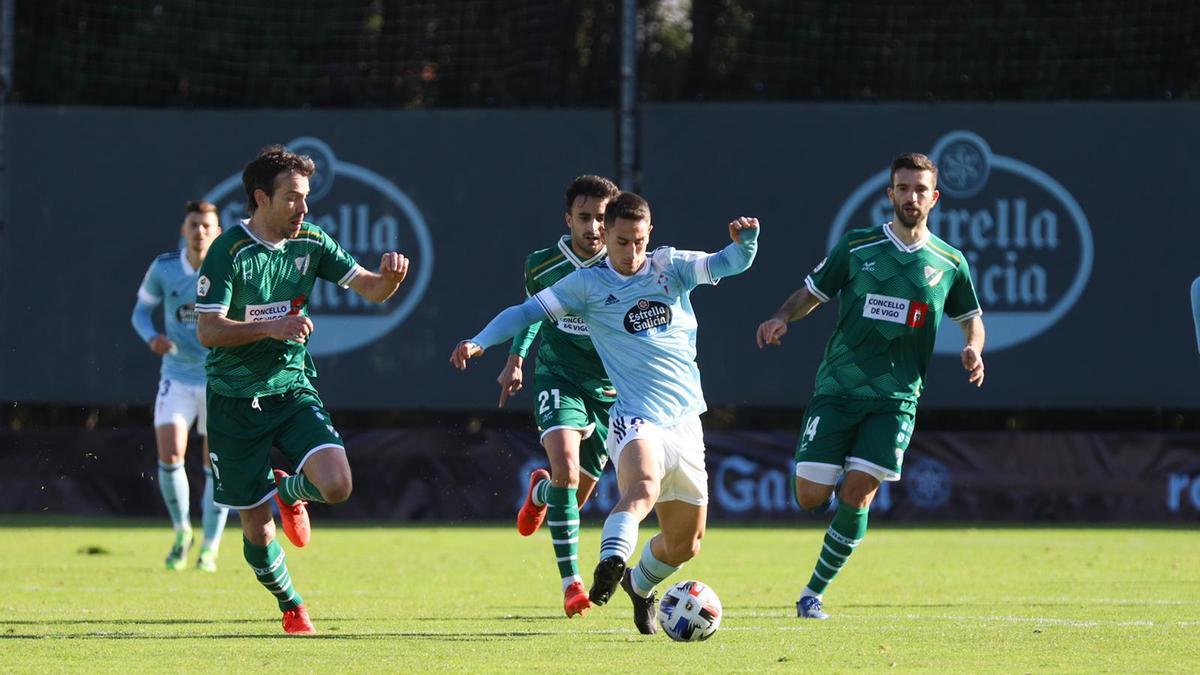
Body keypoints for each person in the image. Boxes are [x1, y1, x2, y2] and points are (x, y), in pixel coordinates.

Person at [453, 192, 759, 634]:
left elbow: (727, 263)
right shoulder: (587, 284)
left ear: (649, 234)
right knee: (642, 487)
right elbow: (524, 313)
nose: (630, 252)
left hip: (687, 421)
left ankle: (638, 584)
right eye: (621, 242)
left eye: (638, 241)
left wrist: (745, 243)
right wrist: (481, 340)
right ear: (606, 236)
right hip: (634, 416)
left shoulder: (670, 266)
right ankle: (611, 562)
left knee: (684, 544)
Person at [755, 153, 985, 620]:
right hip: (838, 389)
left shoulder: (950, 262)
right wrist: (781, 316)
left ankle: (812, 593)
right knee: (810, 498)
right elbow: (812, 294)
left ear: (934, 198)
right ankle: (832, 493)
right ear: (891, 195)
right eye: (904, 188)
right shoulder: (857, 247)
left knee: (858, 493)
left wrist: (974, 348)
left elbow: (972, 319)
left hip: (896, 399)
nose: (912, 197)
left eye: (921, 189)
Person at [195, 145, 410, 635]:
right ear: (261, 198)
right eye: (293, 198)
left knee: (337, 484)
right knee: (256, 530)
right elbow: (208, 332)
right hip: (231, 402)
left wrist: (390, 280)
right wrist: (270, 327)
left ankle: (289, 491)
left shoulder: (312, 242)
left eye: (306, 197)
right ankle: (291, 604)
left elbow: (372, 290)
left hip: (291, 389)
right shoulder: (229, 252)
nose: (304, 208)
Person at [496, 175, 620, 618]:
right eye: (584, 217)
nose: (594, 228)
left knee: (575, 492)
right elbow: (533, 313)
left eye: (602, 218)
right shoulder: (542, 264)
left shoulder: (627, 265)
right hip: (558, 376)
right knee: (567, 471)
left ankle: (541, 493)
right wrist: (516, 360)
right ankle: (572, 585)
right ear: (568, 219)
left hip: (609, 391)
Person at [131, 200, 229, 572]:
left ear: (218, 232)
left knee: (215, 464)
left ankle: (210, 547)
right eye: (194, 224)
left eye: (207, 225)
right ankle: (182, 532)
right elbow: (140, 312)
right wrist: (151, 338)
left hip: (219, 379)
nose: (200, 231)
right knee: (170, 454)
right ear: (183, 229)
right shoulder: (165, 268)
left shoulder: (229, 267)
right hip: (176, 374)